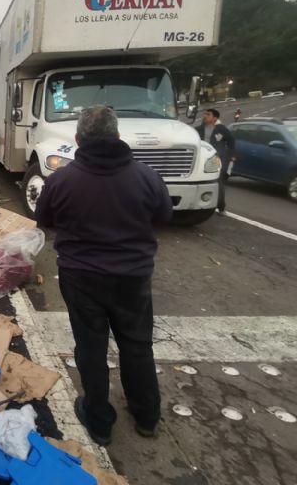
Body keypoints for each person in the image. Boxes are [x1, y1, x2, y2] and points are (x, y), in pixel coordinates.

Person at [36, 105, 173, 445]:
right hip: (133, 278)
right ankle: (146, 416)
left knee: (91, 348)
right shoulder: (146, 176)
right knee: (137, 345)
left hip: (81, 276)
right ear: (117, 137)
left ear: (79, 139)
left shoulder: (61, 180)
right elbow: (164, 216)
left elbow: (44, 219)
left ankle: (99, 422)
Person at [195, 108, 235, 213]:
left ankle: (221, 207)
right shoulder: (198, 129)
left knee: (218, 182)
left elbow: (232, 142)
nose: (205, 116)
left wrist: (231, 156)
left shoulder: (221, 129)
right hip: (200, 160)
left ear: (215, 118)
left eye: (208, 114)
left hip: (216, 160)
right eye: (205, 114)